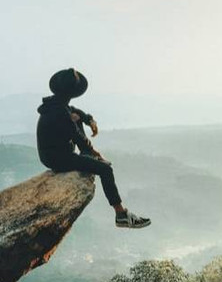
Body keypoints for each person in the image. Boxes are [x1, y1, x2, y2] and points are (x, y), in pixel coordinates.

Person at [36, 68, 151, 228]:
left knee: (75, 118)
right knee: (105, 170)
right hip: (57, 157)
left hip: (52, 154)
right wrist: (96, 154)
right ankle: (121, 214)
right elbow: (78, 138)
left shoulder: (55, 105)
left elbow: (76, 112)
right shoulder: (59, 112)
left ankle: (87, 157)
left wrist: (89, 120)